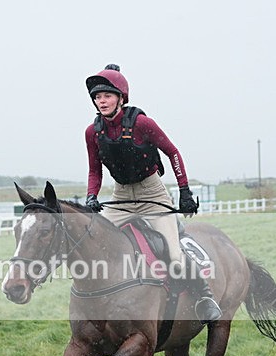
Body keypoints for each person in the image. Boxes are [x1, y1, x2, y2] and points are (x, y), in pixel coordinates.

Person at [84, 64, 221, 323]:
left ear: (121, 98)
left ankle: (204, 297)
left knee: (174, 256)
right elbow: (94, 170)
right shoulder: (93, 132)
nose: (101, 101)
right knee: (95, 242)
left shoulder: (141, 123)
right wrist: (91, 196)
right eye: (97, 97)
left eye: (107, 96)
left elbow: (172, 152)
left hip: (153, 196)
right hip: (121, 197)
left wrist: (184, 191)